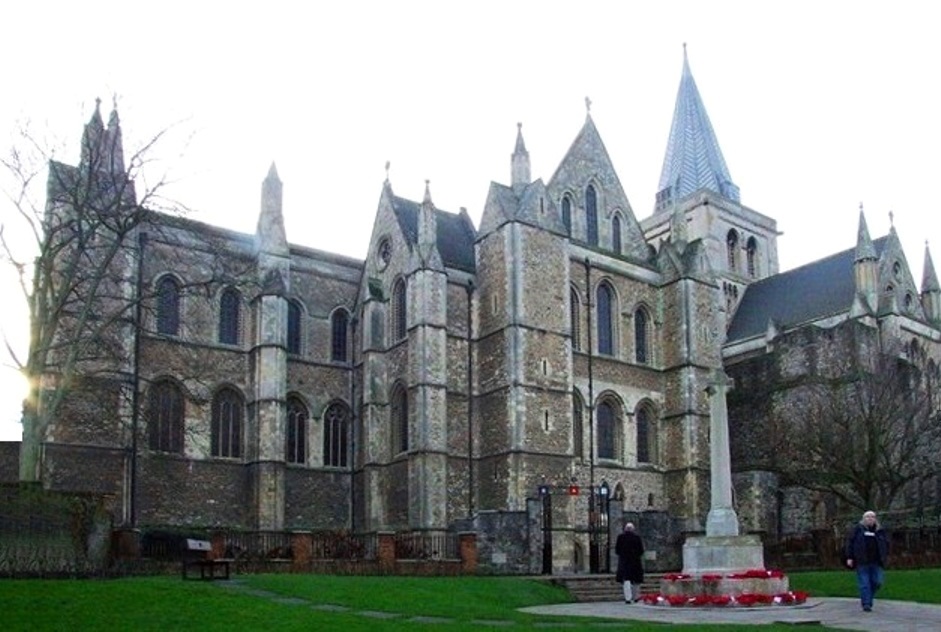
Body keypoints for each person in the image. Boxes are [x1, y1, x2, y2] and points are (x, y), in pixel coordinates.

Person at [844, 510, 889, 612]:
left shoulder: (880, 531)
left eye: (872, 517)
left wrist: (885, 556)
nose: (870, 519)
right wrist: (850, 557)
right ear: (863, 519)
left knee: (877, 582)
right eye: (868, 517)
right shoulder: (858, 530)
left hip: (876, 561)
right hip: (862, 561)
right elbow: (850, 543)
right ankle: (866, 604)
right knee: (864, 583)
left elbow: (886, 544)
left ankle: (868, 597)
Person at [615, 522, 644, 604]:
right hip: (635, 562)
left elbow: (617, 550)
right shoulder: (637, 538)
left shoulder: (620, 537)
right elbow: (641, 550)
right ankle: (636, 597)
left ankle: (628, 598)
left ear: (625, 529)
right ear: (633, 529)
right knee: (636, 581)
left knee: (626, 581)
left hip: (624, 562)